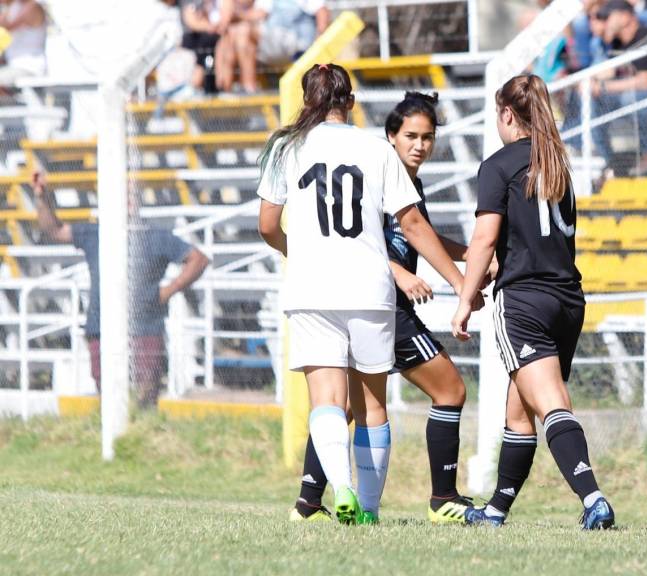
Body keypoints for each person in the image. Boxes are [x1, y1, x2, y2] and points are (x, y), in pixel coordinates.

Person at [257, 64, 476, 525]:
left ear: (307, 100)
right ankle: (370, 509)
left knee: (328, 401)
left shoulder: (284, 147)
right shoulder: (377, 150)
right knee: (372, 405)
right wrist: (460, 282)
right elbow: (412, 224)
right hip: (370, 290)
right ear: (351, 102)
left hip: (312, 289)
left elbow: (267, 225)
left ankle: (340, 489)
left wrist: (298, 251)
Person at [451, 74, 614, 531]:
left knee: (551, 405)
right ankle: (495, 512)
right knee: (518, 412)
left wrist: (465, 299)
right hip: (567, 301)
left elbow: (484, 239)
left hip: (525, 301)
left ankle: (594, 499)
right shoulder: (557, 162)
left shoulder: (499, 165)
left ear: (507, 114)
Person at [32, 170, 209, 407]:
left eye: (131, 196)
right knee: (107, 394)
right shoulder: (96, 233)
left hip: (145, 326)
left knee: (146, 392)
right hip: (101, 326)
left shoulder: (155, 236)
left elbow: (198, 259)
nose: (128, 202)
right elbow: (54, 230)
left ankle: (143, 425)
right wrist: (41, 197)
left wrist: (169, 290)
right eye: (123, 196)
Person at [590, 0, 647, 175]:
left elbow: (645, 82)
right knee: (595, 99)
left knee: (630, 98)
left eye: (608, 17)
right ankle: (608, 160)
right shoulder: (617, 43)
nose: (604, 21)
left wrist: (604, 86)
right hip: (643, 98)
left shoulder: (645, 35)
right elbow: (607, 73)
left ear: (625, 16)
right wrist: (592, 83)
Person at [0, 0, 46, 89]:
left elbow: (6, 28)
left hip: (30, 67)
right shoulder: (14, 6)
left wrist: (7, 6)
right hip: (14, 66)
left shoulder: (33, 7)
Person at [180, 0, 222, 93]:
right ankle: (196, 86)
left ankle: (211, 86)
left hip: (211, 41)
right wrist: (209, 27)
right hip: (195, 41)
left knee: (211, 43)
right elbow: (191, 22)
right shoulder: (191, 3)